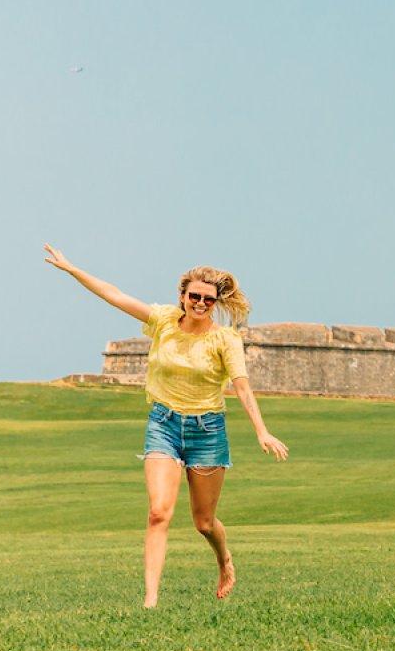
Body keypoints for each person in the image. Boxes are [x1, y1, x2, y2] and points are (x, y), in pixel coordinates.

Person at [43, 245, 288, 607]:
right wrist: (73, 269)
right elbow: (115, 295)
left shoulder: (225, 340)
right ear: (183, 296)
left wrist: (261, 431)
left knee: (204, 523)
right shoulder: (162, 321)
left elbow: (241, 386)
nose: (200, 303)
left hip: (208, 432)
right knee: (159, 511)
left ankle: (224, 559)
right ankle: (151, 599)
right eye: (194, 296)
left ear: (216, 301)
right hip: (163, 424)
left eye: (208, 298)